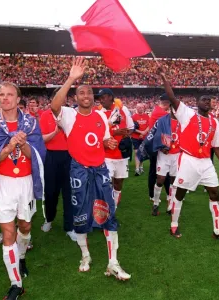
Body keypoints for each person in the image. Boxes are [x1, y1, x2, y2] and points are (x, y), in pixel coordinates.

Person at [51, 57, 130, 280]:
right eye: (82, 93)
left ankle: (113, 262)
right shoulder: (68, 115)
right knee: (81, 215)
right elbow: (54, 106)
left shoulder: (100, 117)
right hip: (79, 170)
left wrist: (108, 142)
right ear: (76, 97)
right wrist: (71, 78)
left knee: (108, 212)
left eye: (89, 93)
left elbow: (103, 139)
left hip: (100, 170)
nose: (86, 96)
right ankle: (85, 255)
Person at [159, 70, 219, 243]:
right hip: (188, 160)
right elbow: (172, 98)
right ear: (197, 102)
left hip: (206, 163)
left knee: (215, 193)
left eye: (209, 100)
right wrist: (166, 81)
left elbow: (217, 146)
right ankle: (174, 223)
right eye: (204, 99)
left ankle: (218, 230)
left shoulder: (214, 122)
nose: (207, 102)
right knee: (180, 193)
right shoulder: (187, 114)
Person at [0, 82, 45, 299]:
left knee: (25, 225)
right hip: (3, 183)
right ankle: (16, 284)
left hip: (25, 183)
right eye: (1, 94)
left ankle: (21, 255)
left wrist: (23, 145)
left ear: (17, 99)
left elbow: (40, 156)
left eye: (9, 95)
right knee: (8, 233)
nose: (4, 98)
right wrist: (8, 146)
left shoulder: (31, 123)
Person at [40, 88, 76, 242]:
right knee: (50, 192)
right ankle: (49, 219)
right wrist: (56, 131)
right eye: (57, 96)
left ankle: (69, 227)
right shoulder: (45, 115)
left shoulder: (71, 113)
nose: (61, 99)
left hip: (69, 156)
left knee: (69, 192)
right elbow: (42, 139)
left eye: (64, 96)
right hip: (51, 156)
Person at [98, 89, 134, 208]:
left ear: (110, 97)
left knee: (118, 182)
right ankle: (108, 208)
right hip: (106, 155)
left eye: (103, 97)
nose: (100, 100)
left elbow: (130, 127)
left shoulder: (122, 110)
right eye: (100, 98)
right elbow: (98, 132)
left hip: (121, 154)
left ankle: (114, 204)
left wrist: (126, 134)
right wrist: (114, 132)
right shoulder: (98, 112)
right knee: (107, 183)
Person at [152, 109, 181, 216]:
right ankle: (155, 203)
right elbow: (156, 134)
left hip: (177, 155)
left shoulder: (183, 121)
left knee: (174, 181)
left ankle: (171, 205)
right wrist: (161, 146)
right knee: (160, 180)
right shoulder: (163, 120)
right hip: (164, 155)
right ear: (170, 109)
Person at [148, 94, 171, 202]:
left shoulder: (156, 110)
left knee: (160, 171)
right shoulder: (161, 113)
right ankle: (153, 195)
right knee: (158, 171)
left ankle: (164, 194)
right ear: (167, 103)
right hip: (157, 146)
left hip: (156, 145)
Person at [131, 103, 149, 176]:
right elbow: (132, 127)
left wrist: (144, 132)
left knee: (142, 152)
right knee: (137, 152)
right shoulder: (133, 117)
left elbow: (149, 125)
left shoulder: (147, 116)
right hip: (135, 137)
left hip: (144, 137)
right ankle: (137, 169)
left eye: (142, 107)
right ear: (136, 108)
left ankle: (141, 166)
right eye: (139, 107)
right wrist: (141, 132)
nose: (140, 108)